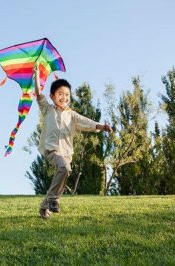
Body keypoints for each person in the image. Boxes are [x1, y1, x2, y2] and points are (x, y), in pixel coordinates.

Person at [33, 65, 112, 219]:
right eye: (60, 94)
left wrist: (101, 126)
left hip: (66, 152)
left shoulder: (72, 115)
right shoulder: (47, 109)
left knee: (65, 170)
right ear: (52, 96)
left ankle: (45, 205)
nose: (64, 97)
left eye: (67, 95)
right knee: (64, 167)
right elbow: (38, 94)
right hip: (51, 149)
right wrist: (37, 76)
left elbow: (86, 122)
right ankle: (54, 199)